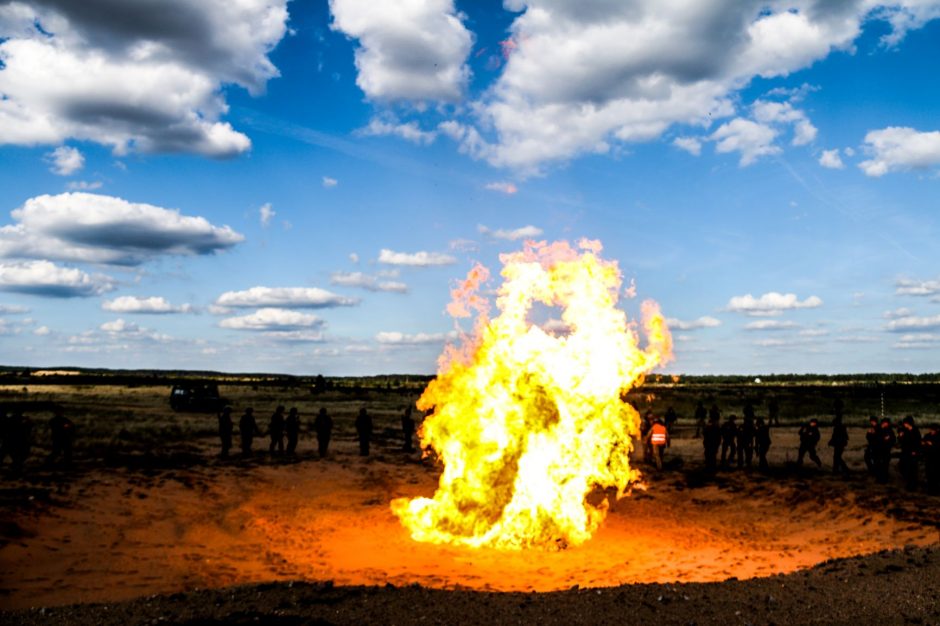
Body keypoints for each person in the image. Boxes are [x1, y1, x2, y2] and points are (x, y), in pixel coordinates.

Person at [897, 416, 921, 491]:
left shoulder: (915, 431)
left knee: (912, 470)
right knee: (902, 467)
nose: (904, 425)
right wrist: (900, 436)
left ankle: (912, 485)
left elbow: (918, 442)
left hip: (913, 453)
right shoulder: (905, 431)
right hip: (905, 451)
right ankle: (909, 482)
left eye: (905, 423)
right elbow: (901, 441)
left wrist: (916, 451)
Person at [875, 417, 896, 483]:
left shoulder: (890, 431)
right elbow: (875, 438)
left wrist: (888, 440)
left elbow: (893, 440)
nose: (885, 424)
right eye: (884, 423)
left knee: (885, 465)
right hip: (879, 450)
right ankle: (879, 478)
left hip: (886, 450)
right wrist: (883, 438)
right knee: (878, 465)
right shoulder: (878, 429)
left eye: (886, 423)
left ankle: (884, 479)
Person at [922, 423, 939, 495]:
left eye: (933, 430)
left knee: (935, 474)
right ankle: (930, 489)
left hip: (936, 458)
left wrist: (932, 444)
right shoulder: (927, 435)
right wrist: (924, 443)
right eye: (931, 430)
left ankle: (935, 490)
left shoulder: (938, 436)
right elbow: (923, 441)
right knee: (928, 473)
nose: (932, 431)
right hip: (928, 457)